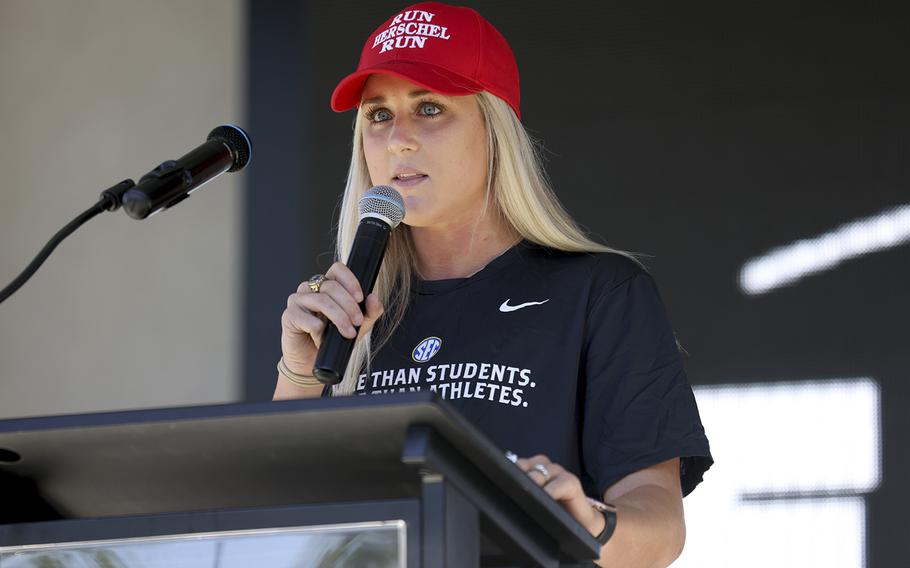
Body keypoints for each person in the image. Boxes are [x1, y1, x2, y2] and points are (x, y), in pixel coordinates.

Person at [273, 2, 712, 566]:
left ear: (495, 129)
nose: (398, 140)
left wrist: (582, 520)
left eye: (428, 108)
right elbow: (283, 524)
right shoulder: (347, 310)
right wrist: (300, 375)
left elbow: (659, 527)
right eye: (378, 115)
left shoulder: (600, 292)